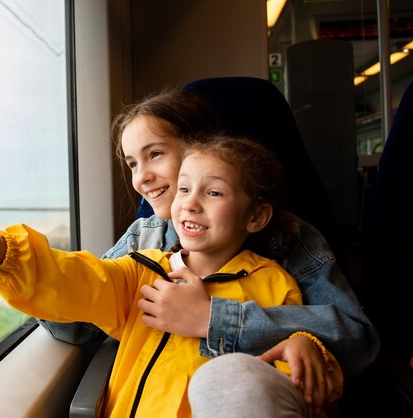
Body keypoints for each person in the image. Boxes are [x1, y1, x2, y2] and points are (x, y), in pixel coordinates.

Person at [0, 135, 342, 418]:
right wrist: (4, 254)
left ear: (256, 216)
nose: (190, 204)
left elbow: (283, 382)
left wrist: (308, 345)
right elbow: (75, 280)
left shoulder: (273, 282)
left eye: (213, 193)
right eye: (185, 189)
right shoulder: (143, 271)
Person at [36, 87, 378, 416]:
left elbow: (355, 340)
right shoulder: (145, 238)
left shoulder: (289, 237)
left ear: (204, 148)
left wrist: (214, 319)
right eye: (132, 164)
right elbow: (76, 327)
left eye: (155, 154)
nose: (142, 178)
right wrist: (18, 268)